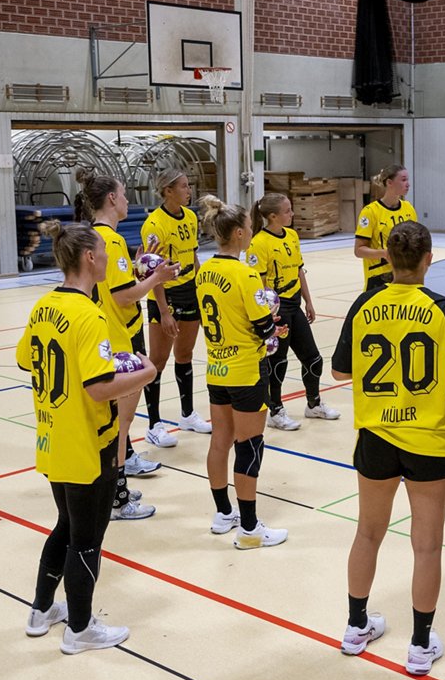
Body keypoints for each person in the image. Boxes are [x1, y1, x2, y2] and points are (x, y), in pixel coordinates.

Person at [332, 221, 445, 676]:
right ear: (429, 259)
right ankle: (418, 645)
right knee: (427, 545)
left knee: (368, 533)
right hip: (428, 439)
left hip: (375, 436)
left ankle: (356, 627)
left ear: (388, 259)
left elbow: (339, 372)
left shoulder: (364, 304)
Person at [17, 220, 158, 654]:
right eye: (103, 253)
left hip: (52, 436)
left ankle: (42, 609)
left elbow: (25, 359)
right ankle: (80, 628)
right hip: (87, 442)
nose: (108, 260)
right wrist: (144, 372)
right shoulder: (90, 315)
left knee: (64, 524)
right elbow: (97, 388)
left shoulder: (43, 306)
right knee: (87, 539)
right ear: (89, 258)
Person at [75, 169, 180, 521]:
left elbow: (108, 286)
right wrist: (157, 277)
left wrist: (137, 267)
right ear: (111, 199)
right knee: (120, 429)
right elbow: (123, 297)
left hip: (102, 338)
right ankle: (118, 500)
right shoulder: (111, 241)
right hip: (118, 341)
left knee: (112, 427)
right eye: (123, 194)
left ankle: (112, 491)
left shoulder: (92, 237)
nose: (128, 200)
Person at [194, 196, 289, 549]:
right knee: (249, 445)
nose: (253, 232)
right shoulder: (245, 274)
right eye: (250, 228)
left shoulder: (206, 270)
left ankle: (223, 514)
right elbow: (263, 325)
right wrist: (274, 328)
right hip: (246, 371)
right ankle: (249, 529)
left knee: (220, 441)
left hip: (216, 368)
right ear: (237, 233)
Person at [247, 192, 341, 431]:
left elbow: (299, 271)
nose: (292, 214)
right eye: (287, 211)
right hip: (277, 309)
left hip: (295, 304)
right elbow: (258, 283)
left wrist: (308, 301)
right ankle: (276, 411)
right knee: (278, 363)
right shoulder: (259, 242)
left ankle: (314, 404)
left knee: (313, 358)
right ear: (272, 216)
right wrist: (268, 317)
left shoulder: (292, 235)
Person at [141, 166, 212, 448]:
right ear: (168, 191)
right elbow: (151, 272)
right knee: (157, 361)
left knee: (185, 354)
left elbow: (193, 258)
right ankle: (154, 424)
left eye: (188, 185)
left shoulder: (192, 217)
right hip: (165, 296)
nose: (189, 190)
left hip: (190, 292)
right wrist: (165, 311)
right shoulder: (154, 225)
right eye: (183, 186)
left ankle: (186, 415)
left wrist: (203, 289)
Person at [354, 164, 417, 291]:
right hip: (379, 277)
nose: (408, 184)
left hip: (405, 274)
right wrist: (384, 253)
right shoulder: (370, 212)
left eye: (408, 180)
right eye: (403, 180)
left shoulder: (408, 209)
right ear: (389, 182)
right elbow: (359, 250)